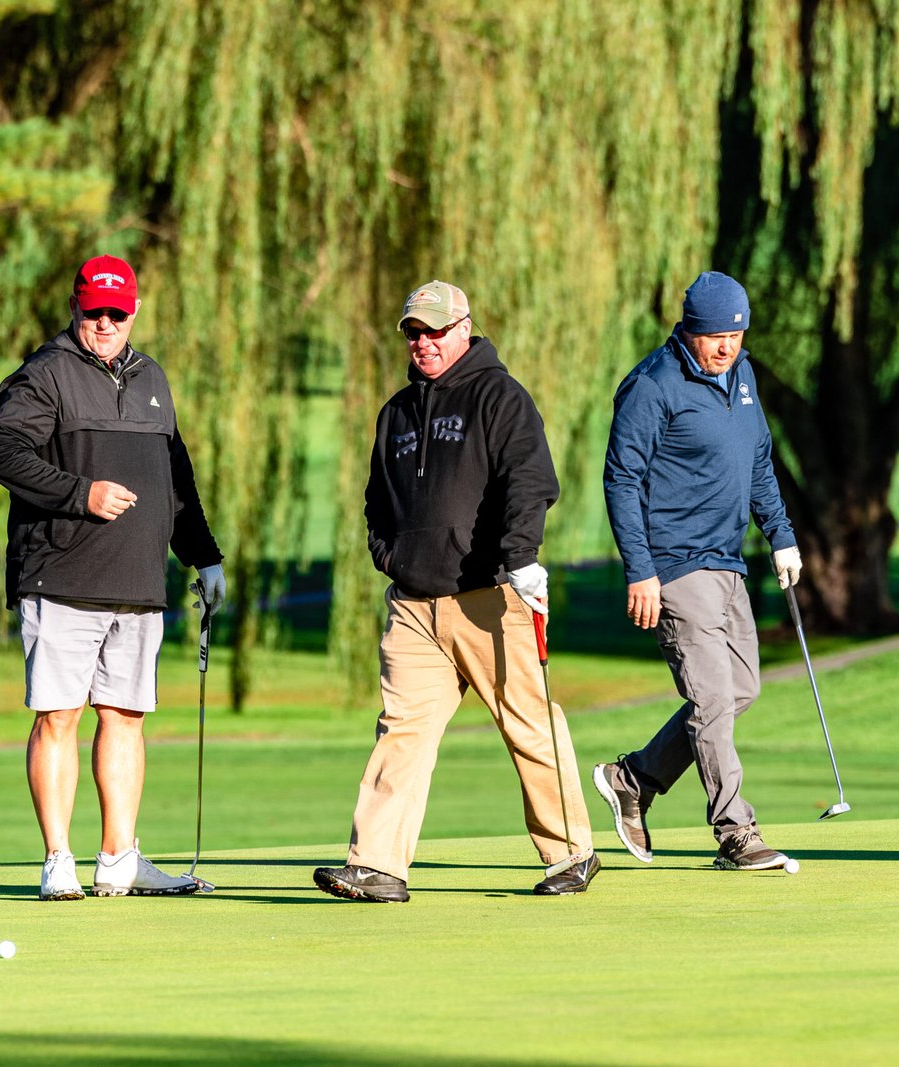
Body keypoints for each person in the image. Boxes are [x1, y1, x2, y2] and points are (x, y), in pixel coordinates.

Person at [313, 280, 598, 902]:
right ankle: (377, 866)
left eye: (435, 330)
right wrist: (389, 555)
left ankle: (570, 852)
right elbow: (376, 500)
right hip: (415, 606)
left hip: (491, 595)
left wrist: (521, 558)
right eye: (414, 332)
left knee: (527, 724)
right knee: (401, 732)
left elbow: (530, 481)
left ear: (464, 328)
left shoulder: (500, 396)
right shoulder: (396, 411)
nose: (424, 342)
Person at [0, 254, 227, 901]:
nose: (106, 323)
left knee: (125, 717)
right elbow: (4, 454)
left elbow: (176, 480)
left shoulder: (152, 378)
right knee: (59, 717)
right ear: (75, 306)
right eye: (95, 311)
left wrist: (203, 556)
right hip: (60, 576)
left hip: (137, 583)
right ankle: (57, 860)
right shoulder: (45, 374)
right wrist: (80, 493)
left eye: (118, 312)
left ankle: (119, 858)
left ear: (135, 311)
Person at [593, 270, 802, 872]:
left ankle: (635, 778)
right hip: (674, 565)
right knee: (711, 699)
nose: (726, 347)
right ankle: (736, 833)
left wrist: (782, 535)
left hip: (727, 560)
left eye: (736, 336)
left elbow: (758, 460)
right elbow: (621, 480)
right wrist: (641, 571)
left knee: (740, 691)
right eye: (715, 337)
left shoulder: (742, 376)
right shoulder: (653, 385)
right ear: (689, 330)